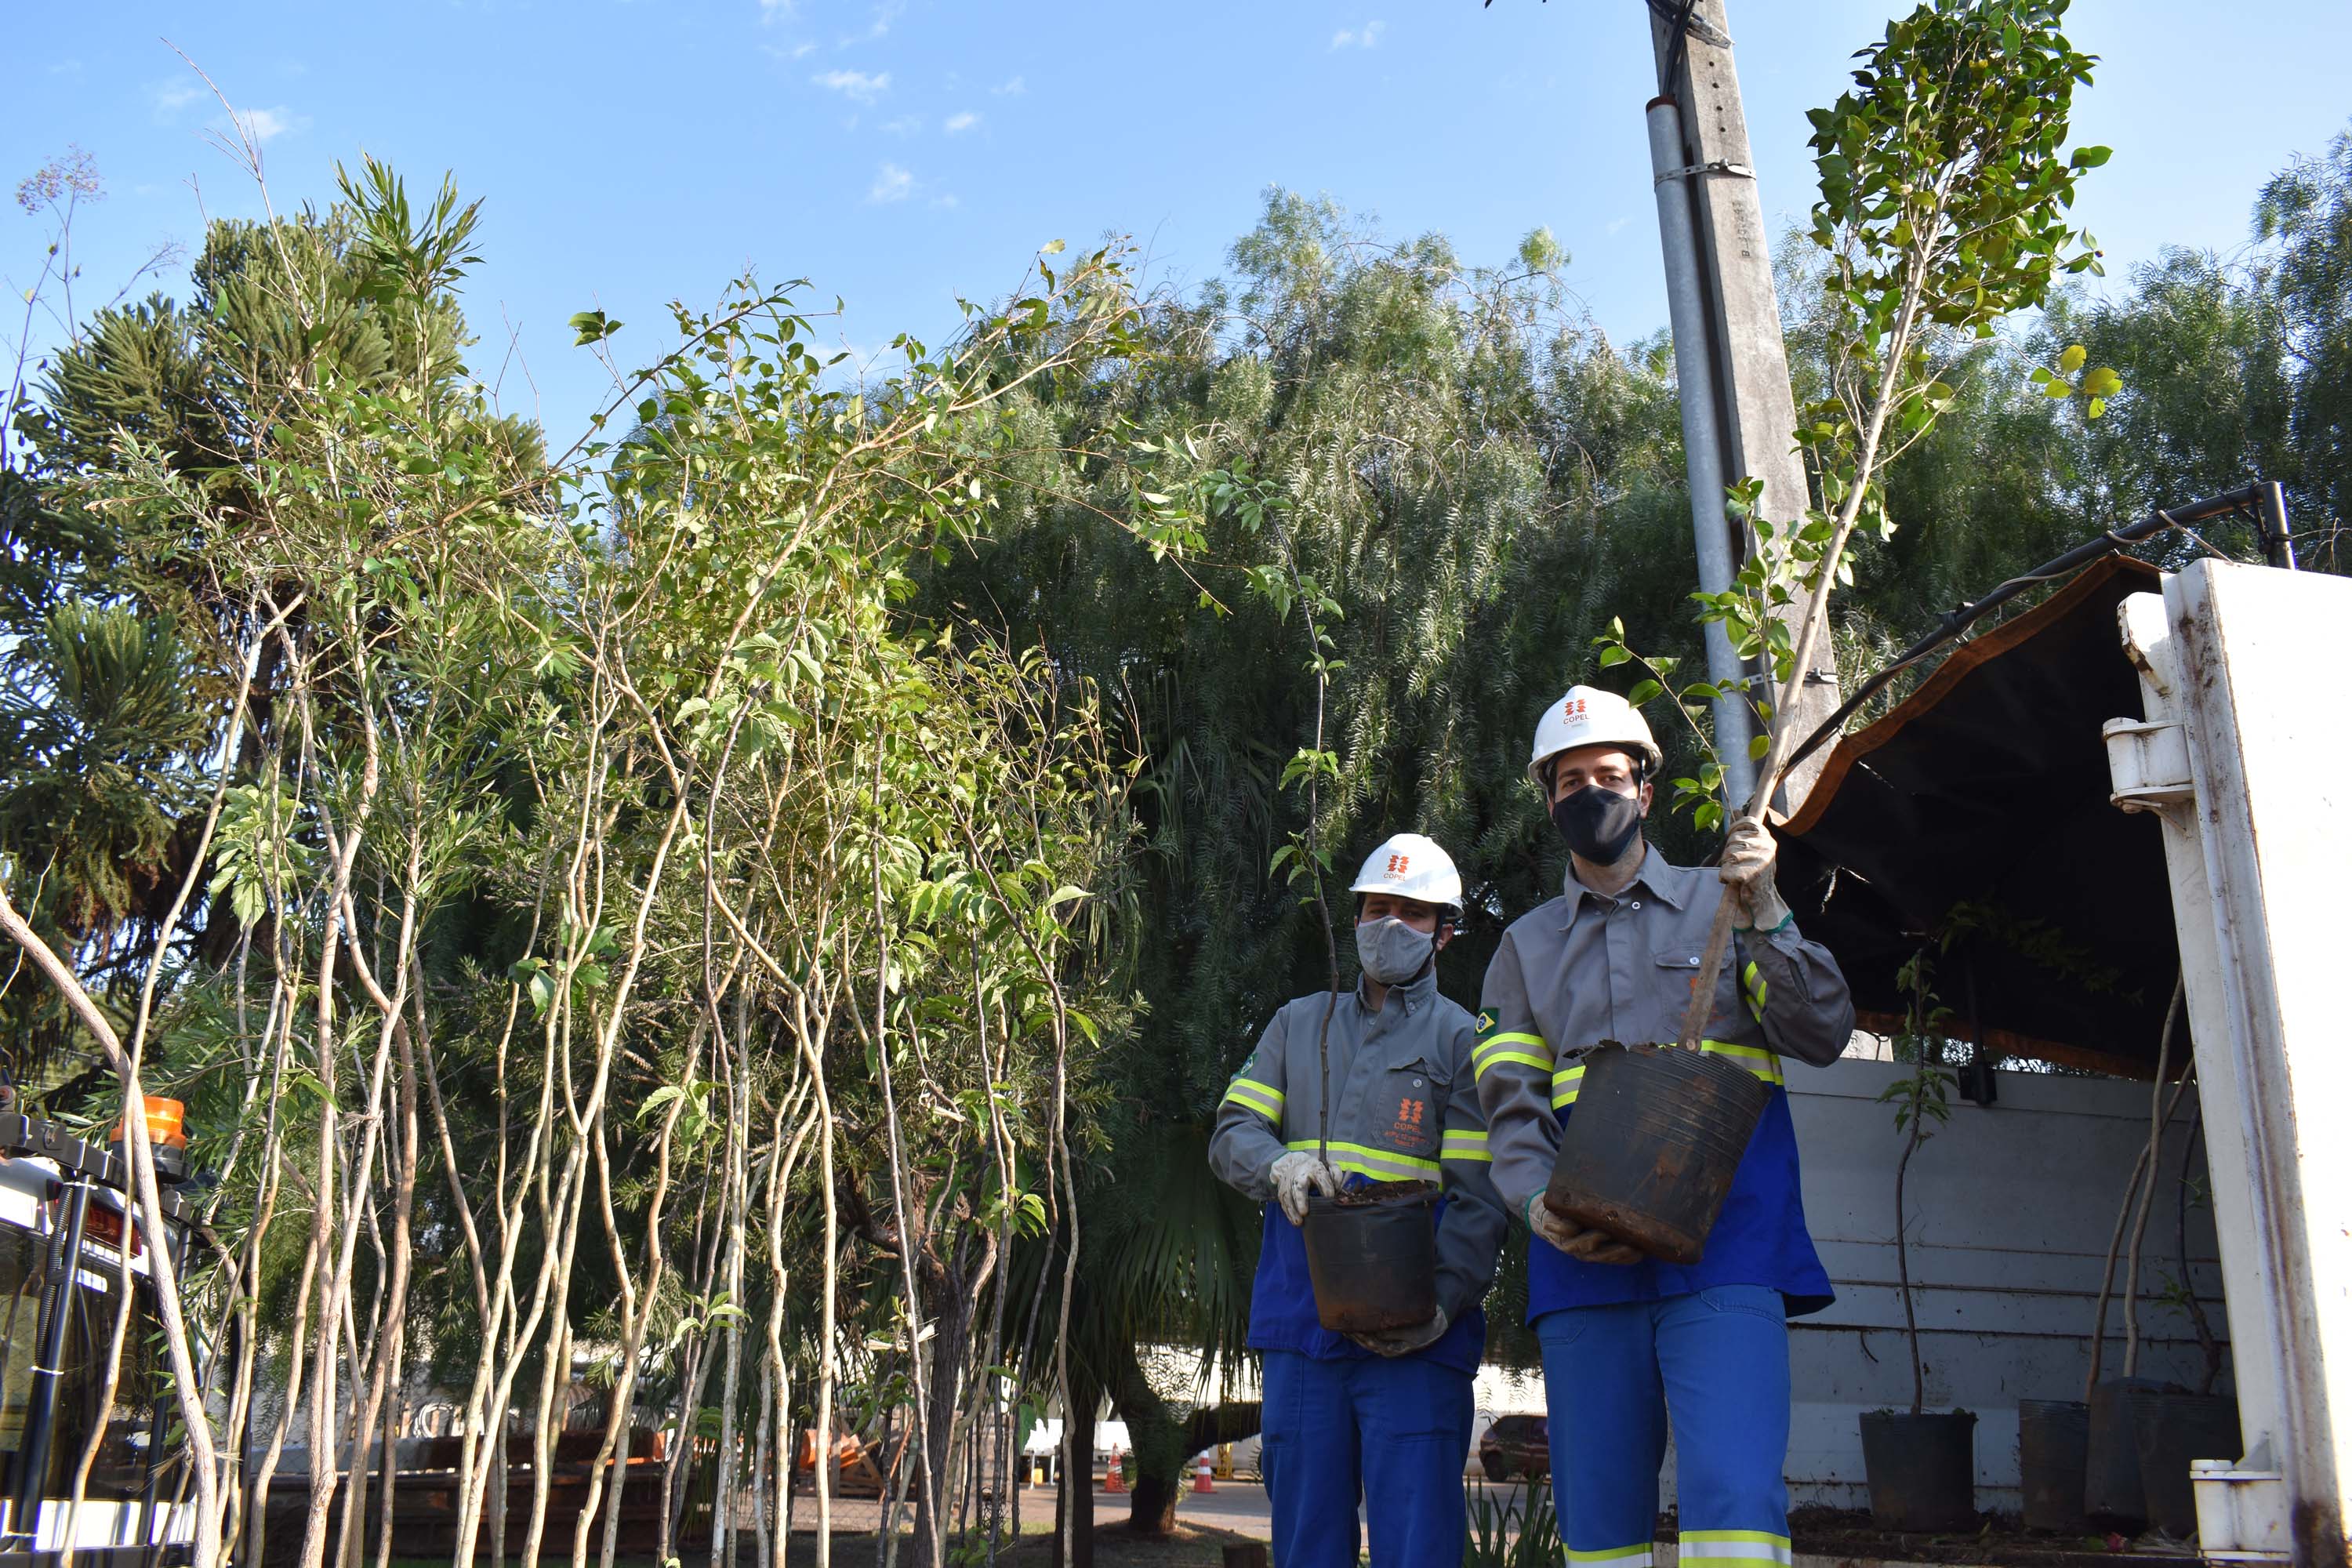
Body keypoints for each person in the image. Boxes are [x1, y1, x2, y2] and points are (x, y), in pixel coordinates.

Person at [1475, 688, 1853, 1568]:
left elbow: (1821, 1033)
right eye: (1571, 781)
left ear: (1645, 790)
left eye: (1610, 775)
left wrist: (1768, 910)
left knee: (1734, 1496)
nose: (1591, 793)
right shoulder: (1523, 949)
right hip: (1582, 1259)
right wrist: (1535, 1204)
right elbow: (1510, 1104)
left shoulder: (1724, 902)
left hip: (1726, 1249)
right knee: (1599, 1517)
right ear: (1549, 802)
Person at [1208, 833, 1508, 1568]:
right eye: (1378, 909)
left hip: (1417, 1339)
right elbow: (1233, 1133)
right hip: (1302, 1326)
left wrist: (1443, 1304)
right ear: (1355, 919)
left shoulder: (1464, 1042)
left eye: (1413, 913)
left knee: (1418, 1545)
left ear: (1444, 932)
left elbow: (1480, 1199)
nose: (1391, 925)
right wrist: (1279, 1164)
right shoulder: (1296, 1023)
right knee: (1306, 1541)